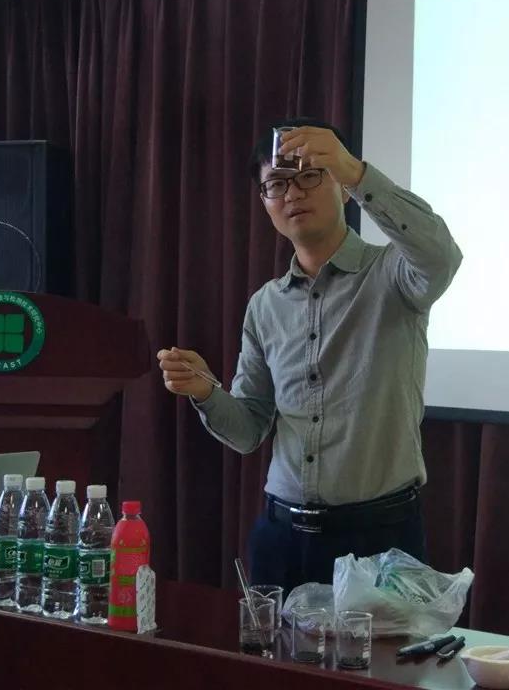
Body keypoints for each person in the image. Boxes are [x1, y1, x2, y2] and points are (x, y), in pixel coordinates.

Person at [158, 117, 463, 592]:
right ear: (265, 202)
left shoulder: (392, 274)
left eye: (310, 175)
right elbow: (249, 430)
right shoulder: (265, 305)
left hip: (379, 537)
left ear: (342, 187)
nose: (293, 193)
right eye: (276, 184)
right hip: (281, 537)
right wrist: (206, 393)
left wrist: (357, 171)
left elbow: (442, 257)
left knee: (380, 649)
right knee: (267, 646)